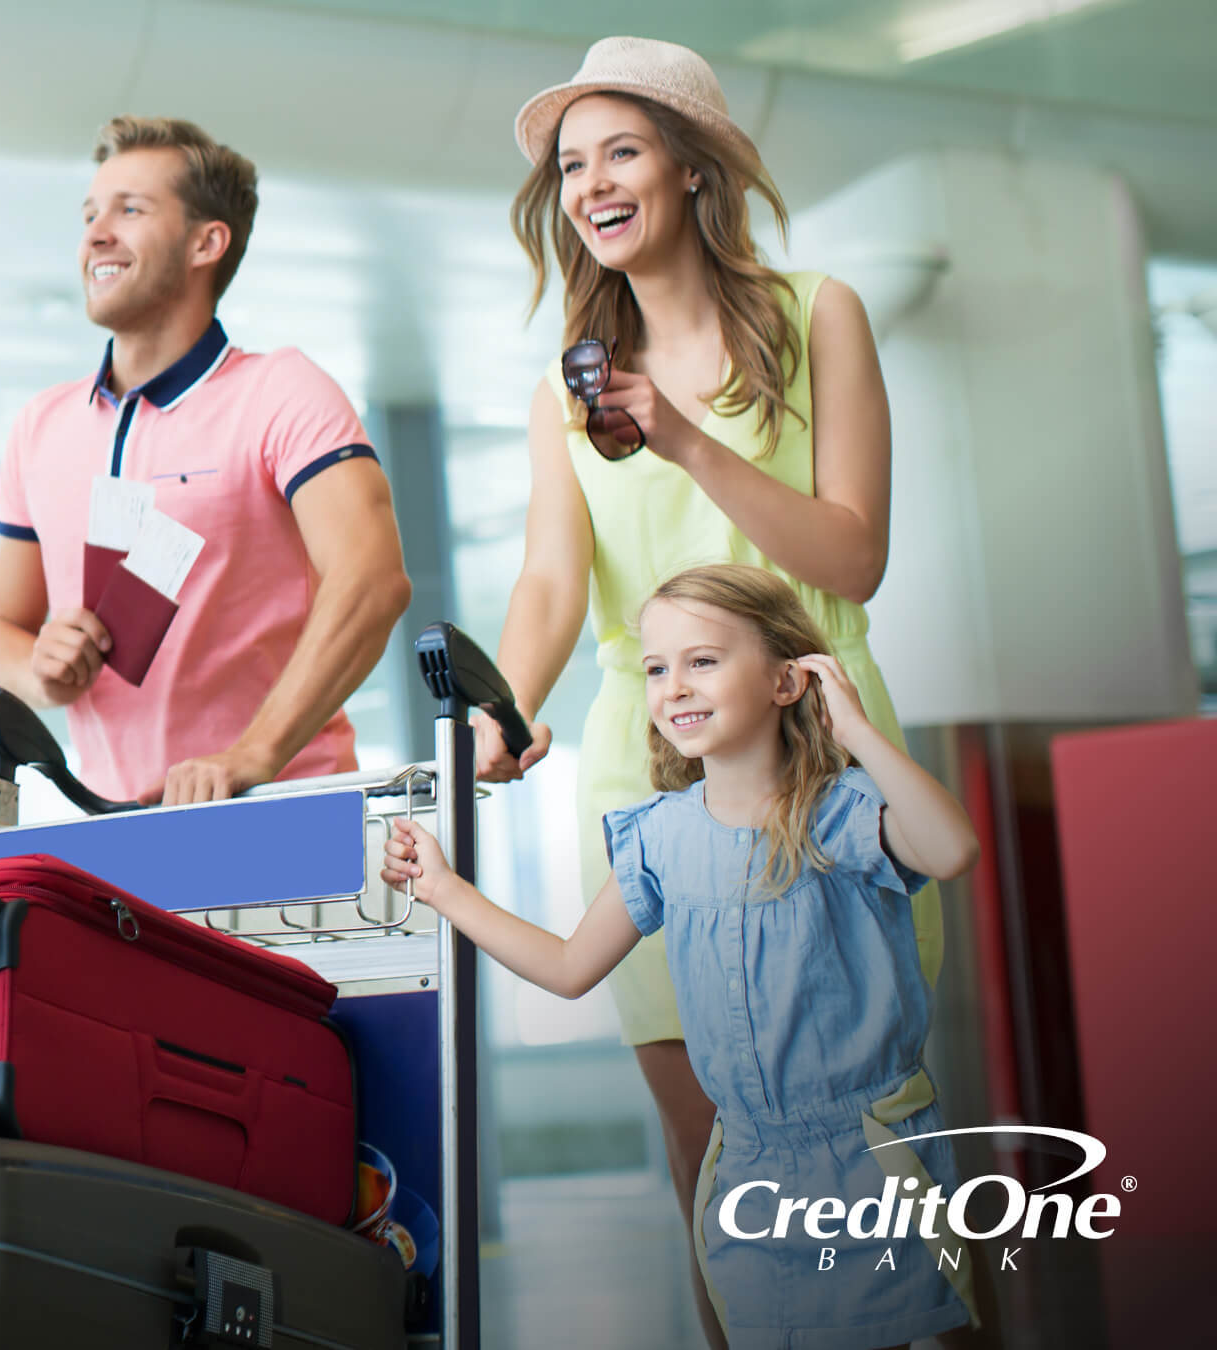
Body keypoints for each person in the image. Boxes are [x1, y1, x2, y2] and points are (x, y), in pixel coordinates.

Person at [483, 36, 938, 1346]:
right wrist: (507, 707)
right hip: (650, 766)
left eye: (620, 149)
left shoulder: (817, 315)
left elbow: (854, 551)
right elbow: (551, 589)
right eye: (571, 164)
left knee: (872, 1139)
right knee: (713, 1157)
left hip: (814, 743)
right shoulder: (565, 389)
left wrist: (683, 435)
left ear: (690, 166)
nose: (590, 183)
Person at [386, 565, 982, 1350]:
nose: (673, 687)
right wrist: (444, 889)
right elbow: (569, 968)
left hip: (866, 1159)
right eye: (656, 669)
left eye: (702, 660)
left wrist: (858, 732)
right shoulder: (659, 836)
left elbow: (953, 849)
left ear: (785, 679)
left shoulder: (843, 811)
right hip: (745, 1171)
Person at [0, 115, 410, 806]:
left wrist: (252, 755)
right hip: (111, 828)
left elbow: (373, 581)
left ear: (207, 241)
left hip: (277, 808)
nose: (96, 233)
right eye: (90, 213)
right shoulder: (41, 426)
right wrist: (40, 671)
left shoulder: (281, 391)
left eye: (130, 209)